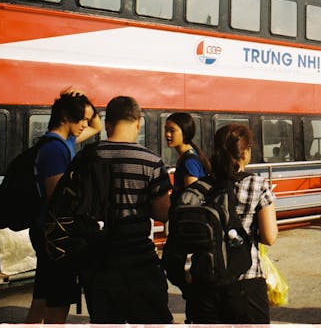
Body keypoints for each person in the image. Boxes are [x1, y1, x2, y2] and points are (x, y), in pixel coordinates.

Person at [80, 96, 174, 324]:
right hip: (139, 261)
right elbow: (163, 212)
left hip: (98, 261)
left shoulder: (86, 157)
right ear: (138, 122)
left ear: (108, 122)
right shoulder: (151, 161)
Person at [183, 123, 278, 323]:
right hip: (246, 281)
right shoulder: (256, 184)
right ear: (245, 152)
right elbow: (270, 237)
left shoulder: (200, 187)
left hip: (205, 283)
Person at [26, 89, 101, 324]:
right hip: (56, 235)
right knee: (58, 301)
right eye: (81, 119)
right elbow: (56, 195)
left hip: (48, 230)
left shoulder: (64, 142)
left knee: (42, 298)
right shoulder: (55, 149)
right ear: (66, 117)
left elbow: (97, 126)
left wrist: (83, 99)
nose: (85, 124)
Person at [165, 112, 212, 205]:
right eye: (166, 129)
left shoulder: (189, 162)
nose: (167, 134)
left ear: (185, 133)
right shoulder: (188, 156)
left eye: (172, 131)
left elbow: (191, 199)